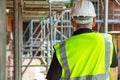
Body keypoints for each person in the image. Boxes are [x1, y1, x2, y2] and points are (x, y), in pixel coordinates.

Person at [46, 0, 118, 80]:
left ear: (72, 22)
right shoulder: (107, 42)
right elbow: (113, 73)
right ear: (94, 21)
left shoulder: (61, 50)